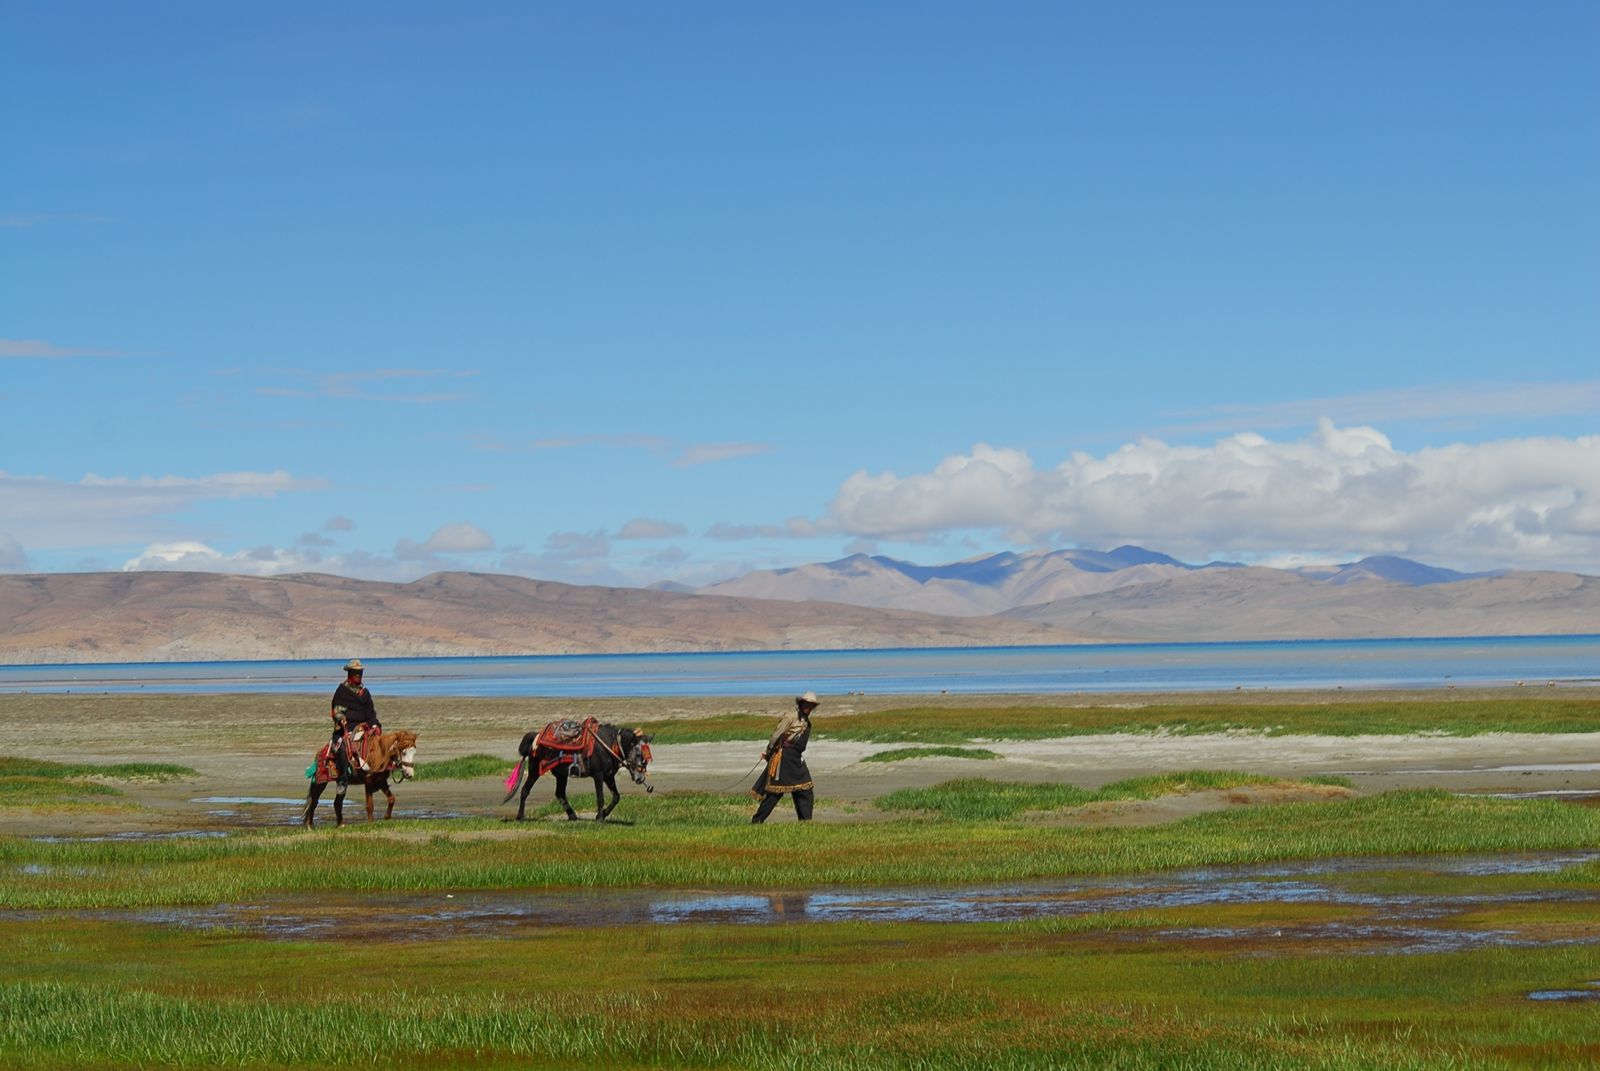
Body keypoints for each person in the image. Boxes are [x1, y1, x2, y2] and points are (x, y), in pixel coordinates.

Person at [751, 690, 817, 823]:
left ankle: (806, 822)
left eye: (811, 705)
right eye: (806, 704)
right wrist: (768, 753)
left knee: (805, 789)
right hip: (784, 758)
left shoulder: (805, 720)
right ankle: (756, 821)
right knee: (775, 793)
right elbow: (776, 735)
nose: (808, 707)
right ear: (801, 703)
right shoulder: (790, 717)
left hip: (796, 759)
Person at [329, 658, 380, 778]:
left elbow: (370, 713)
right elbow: (337, 710)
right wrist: (341, 719)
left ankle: (379, 775)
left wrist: (375, 725)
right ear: (349, 673)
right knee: (342, 748)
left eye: (360, 672)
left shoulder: (365, 693)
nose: (358, 675)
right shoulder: (342, 691)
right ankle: (342, 779)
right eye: (355, 672)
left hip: (364, 728)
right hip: (347, 727)